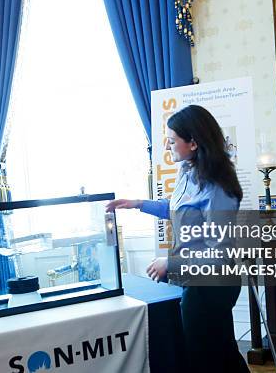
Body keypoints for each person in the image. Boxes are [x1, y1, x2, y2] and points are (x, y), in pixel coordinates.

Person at [106, 105, 249, 372]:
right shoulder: (187, 170)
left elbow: (219, 254)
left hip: (212, 284)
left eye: (172, 141)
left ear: (193, 142)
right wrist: (138, 203)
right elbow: (178, 209)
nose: (167, 147)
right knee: (221, 354)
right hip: (195, 280)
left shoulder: (218, 187)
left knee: (208, 359)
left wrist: (170, 263)